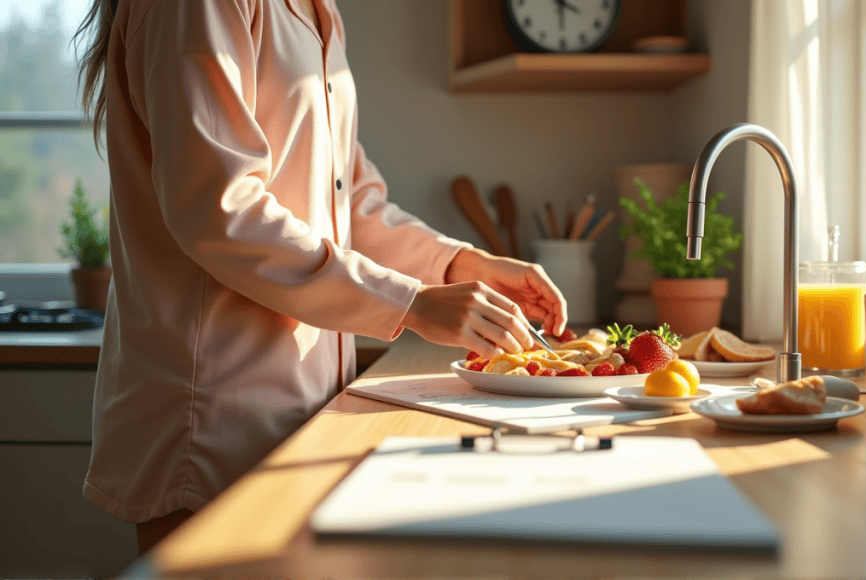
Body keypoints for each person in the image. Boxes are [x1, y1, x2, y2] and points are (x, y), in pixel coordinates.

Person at [74, 0, 567, 555]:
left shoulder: (317, 8)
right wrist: (412, 302)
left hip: (299, 408)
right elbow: (222, 212)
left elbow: (348, 200)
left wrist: (460, 265)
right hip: (213, 414)